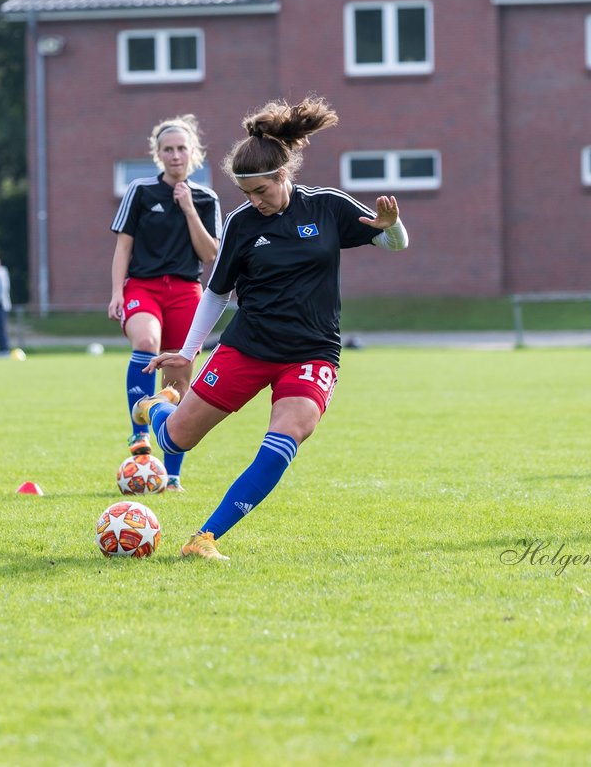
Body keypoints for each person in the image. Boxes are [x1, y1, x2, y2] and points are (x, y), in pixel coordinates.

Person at [132, 96, 408, 560]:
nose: (254, 202)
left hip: (313, 352)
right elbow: (217, 292)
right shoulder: (241, 224)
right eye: (246, 194)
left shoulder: (326, 208)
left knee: (287, 436)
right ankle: (157, 407)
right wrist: (189, 351)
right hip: (249, 347)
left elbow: (393, 243)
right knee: (176, 439)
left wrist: (394, 226)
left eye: (260, 191)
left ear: (283, 176)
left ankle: (205, 538)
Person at [108, 114, 222, 492]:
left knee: (179, 380)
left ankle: (171, 475)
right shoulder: (140, 191)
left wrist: (189, 208)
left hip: (187, 291)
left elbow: (210, 254)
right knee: (145, 342)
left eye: (181, 148)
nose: (175, 155)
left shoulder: (207, 199)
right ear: (158, 155)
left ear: (194, 154)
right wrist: (116, 293)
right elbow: (123, 247)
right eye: (168, 149)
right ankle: (139, 432)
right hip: (143, 287)